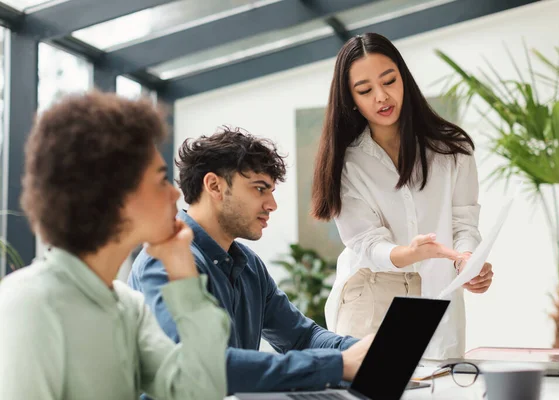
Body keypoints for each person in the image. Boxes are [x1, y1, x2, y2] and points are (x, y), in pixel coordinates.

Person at [0, 91, 230, 400]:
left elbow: (199, 392)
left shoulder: (126, 306)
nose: (175, 195)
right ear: (115, 193)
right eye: (161, 179)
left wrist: (181, 268)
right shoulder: (29, 305)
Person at [129, 127, 373, 396]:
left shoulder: (248, 264)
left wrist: (366, 352)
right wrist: (337, 365)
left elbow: (302, 337)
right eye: (260, 189)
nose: (272, 204)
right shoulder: (164, 262)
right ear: (214, 186)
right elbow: (204, 369)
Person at [311, 32, 494, 360]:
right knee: (373, 391)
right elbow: (365, 244)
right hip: (371, 297)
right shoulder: (347, 163)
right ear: (351, 99)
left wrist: (467, 262)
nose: (381, 96)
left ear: (404, 79)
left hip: (438, 298)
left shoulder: (453, 150)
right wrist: (408, 253)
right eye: (365, 90)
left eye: (389, 81)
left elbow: (464, 223)